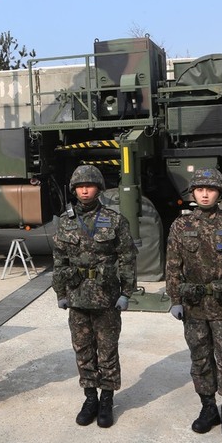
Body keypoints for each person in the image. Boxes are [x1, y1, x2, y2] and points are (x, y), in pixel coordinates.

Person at [165, 167, 222, 440]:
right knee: (200, 360)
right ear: (193, 193)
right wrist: (174, 299)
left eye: (210, 189)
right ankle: (208, 408)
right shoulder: (180, 226)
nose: (204, 194)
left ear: (219, 192)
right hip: (193, 306)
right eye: (199, 189)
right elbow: (173, 266)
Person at [52, 165, 137, 428]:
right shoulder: (65, 222)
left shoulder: (114, 220)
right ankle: (90, 398)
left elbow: (127, 257)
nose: (84, 190)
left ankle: (107, 399)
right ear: (74, 190)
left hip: (106, 298)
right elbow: (59, 259)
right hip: (77, 297)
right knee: (83, 350)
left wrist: (126, 292)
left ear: (98, 188)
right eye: (80, 186)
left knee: (108, 350)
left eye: (89, 185)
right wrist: (60, 292)